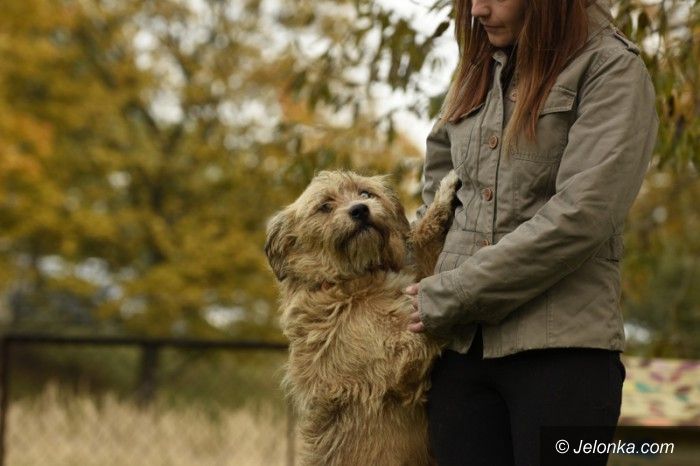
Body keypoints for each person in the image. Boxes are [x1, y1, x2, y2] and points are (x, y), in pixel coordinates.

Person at [404, 0, 659, 465]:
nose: (477, 9)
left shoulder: (610, 67)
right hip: (460, 356)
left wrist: (454, 292)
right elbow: (438, 203)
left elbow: (581, 217)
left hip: (563, 360)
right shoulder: (477, 68)